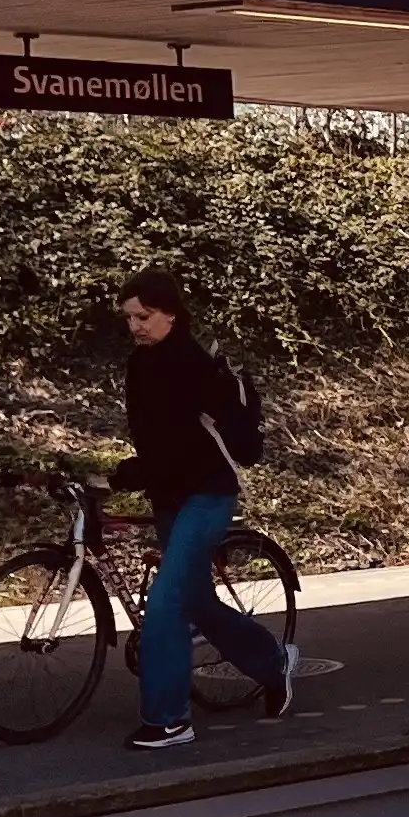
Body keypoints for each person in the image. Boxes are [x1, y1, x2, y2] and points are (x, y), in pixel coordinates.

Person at [114, 266, 293, 751]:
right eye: (129, 318)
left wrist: (128, 474)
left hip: (208, 493)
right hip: (170, 494)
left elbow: (186, 447)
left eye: (144, 316)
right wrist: (136, 473)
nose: (136, 327)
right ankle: (273, 662)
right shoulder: (141, 364)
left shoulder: (190, 364)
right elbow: (152, 441)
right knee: (196, 602)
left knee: (167, 605)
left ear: (170, 314)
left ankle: (169, 720)